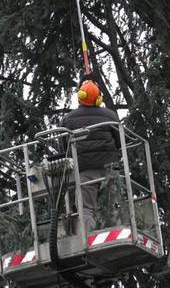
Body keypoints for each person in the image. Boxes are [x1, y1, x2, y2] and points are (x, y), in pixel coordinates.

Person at [60, 80, 120, 233]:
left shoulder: (68, 120)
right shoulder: (110, 116)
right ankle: (115, 232)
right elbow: (122, 142)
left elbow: (63, 148)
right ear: (99, 99)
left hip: (84, 172)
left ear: (80, 96)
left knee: (86, 209)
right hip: (110, 170)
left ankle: (90, 238)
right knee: (111, 205)